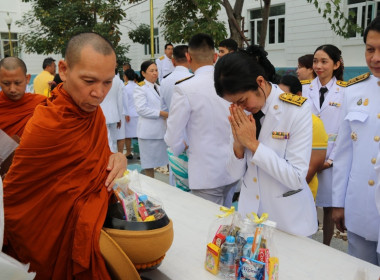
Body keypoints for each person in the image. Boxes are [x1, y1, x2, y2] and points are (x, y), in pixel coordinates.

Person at [3, 32, 127, 279]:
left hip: (84, 231)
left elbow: (96, 161)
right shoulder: (46, 123)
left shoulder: (94, 115)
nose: (99, 93)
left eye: (107, 82)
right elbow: (16, 198)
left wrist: (117, 157)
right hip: (44, 239)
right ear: (64, 68)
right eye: (89, 81)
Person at [214, 46, 317, 236]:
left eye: (243, 100)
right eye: (233, 103)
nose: (239, 108)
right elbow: (234, 174)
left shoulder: (296, 110)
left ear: (260, 82)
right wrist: (238, 145)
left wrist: (252, 144)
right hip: (251, 219)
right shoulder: (241, 111)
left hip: (288, 222)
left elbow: (295, 178)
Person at [165, 33, 239, 207]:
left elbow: (173, 136)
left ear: (188, 57)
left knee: (207, 225)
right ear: (215, 57)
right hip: (233, 167)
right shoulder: (232, 83)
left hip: (205, 172)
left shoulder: (185, 88)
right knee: (227, 221)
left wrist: (180, 148)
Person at [332, 16, 380, 265]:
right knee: (359, 271)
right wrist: (338, 203)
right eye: (370, 49)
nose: (375, 58)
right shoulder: (353, 92)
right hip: (360, 209)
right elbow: (343, 153)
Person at [302, 44, 346, 246]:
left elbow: (345, 130)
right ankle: (307, 239)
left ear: (336, 64)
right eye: (315, 61)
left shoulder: (346, 92)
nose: (318, 66)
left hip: (331, 159)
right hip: (306, 155)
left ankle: (326, 245)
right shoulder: (303, 89)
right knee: (306, 200)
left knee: (329, 206)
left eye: (324, 61)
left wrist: (331, 159)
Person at [279, 75, 327, 200]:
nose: (278, 101)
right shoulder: (274, 121)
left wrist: (281, 193)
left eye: (284, 96)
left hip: (300, 194)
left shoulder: (313, 123)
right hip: (275, 193)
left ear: (298, 95)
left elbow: (312, 167)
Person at [134, 60, 168, 178]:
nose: (155, 73)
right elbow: (141, 109)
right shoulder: (140, 88)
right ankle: (150, 191)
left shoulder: (159, 87)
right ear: (143, 73)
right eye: (151, 71)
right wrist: (161, 113)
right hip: (148, 133)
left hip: (161, 131)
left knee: (167, 160)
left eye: (156, 70)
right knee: (149, 165)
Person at [0, 57, 46, 139]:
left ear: (27, 79)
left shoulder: (41, 102)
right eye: (6, 83)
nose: (12, 89)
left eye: (17, 83)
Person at [160, 45, 191, 110]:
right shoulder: (194, 79)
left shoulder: (164, 81)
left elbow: (162, 106)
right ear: (189, 58)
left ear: (173, 61)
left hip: (170, 117)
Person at [100, 71, 124, 153]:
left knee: (106, 142)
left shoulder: (99, 77)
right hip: (114, 115)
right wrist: (120, 117)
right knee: (113, 142)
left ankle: (109, 161)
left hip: (101, 114)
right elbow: (120, 100)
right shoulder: (117, 79)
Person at [122, 69, 138, 159]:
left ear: (126, 77)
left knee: (127, 135)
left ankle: (128, 152)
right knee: (139, 135)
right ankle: (141, 153)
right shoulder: (138, 86)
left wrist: (126, 113)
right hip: (138, 114)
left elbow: (124, 102)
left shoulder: (125, 87)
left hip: (129, 114)